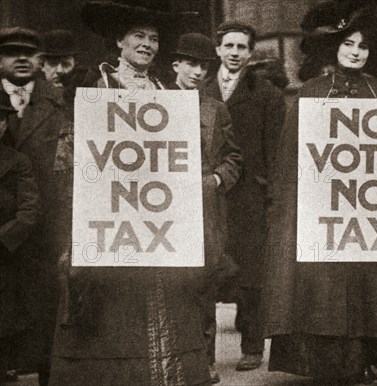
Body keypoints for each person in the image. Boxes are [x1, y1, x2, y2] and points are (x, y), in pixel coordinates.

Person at [49, 2, 241, 385]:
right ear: (119, 41)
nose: (147, 44)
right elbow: (71, 155)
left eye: (154, 39)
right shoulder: (92, 87)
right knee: (113, 311)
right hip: (112, 217)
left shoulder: (167, 93)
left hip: (156, 224)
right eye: (138, 36)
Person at [262, 4, 377, 384]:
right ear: (334, 47)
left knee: (366, 287)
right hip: (322, 213)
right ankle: (326, 363)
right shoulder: (310, 94)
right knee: (325, 290)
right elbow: (291, 159)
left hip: (367, 213)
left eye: (363, 46)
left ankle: (362, 359)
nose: (356, 52)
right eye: (348, 43)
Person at [202, 21, 286, 372]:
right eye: (229, 46)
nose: (235, 53)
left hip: (250, 194)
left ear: (251, 53)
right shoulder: (200, 90)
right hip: (211, 192)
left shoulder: (267, 94)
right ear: (218, 49)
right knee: (209, 267)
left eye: (242, 47)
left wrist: (271, 193)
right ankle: (202, 350)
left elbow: (276, 149)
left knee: (251, 273)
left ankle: (252, 345)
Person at [168, 31, 242, 384]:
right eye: (191, 65)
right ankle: (168, 357)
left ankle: (205, 362)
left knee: (204, 285)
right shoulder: (155, 102)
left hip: (206, 208)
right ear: (175, 66)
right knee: (168, 283)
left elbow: (233, 157)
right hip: (164, 207)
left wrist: (215, 181)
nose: (198, 72)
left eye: (204, 67)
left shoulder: (215, 108)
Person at [0, 26, 70, 386]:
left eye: (30, 53)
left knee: (46, 305)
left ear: (41, 61)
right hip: (2, 228)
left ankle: (47, 371)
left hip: (47, 224)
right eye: (13, 52)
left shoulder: (59, 102)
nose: (22, 58)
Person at [0, 101, 41, 386]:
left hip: (5, 255)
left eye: (1, 120)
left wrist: (3, 239)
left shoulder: (17, 162)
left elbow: (30, 211)